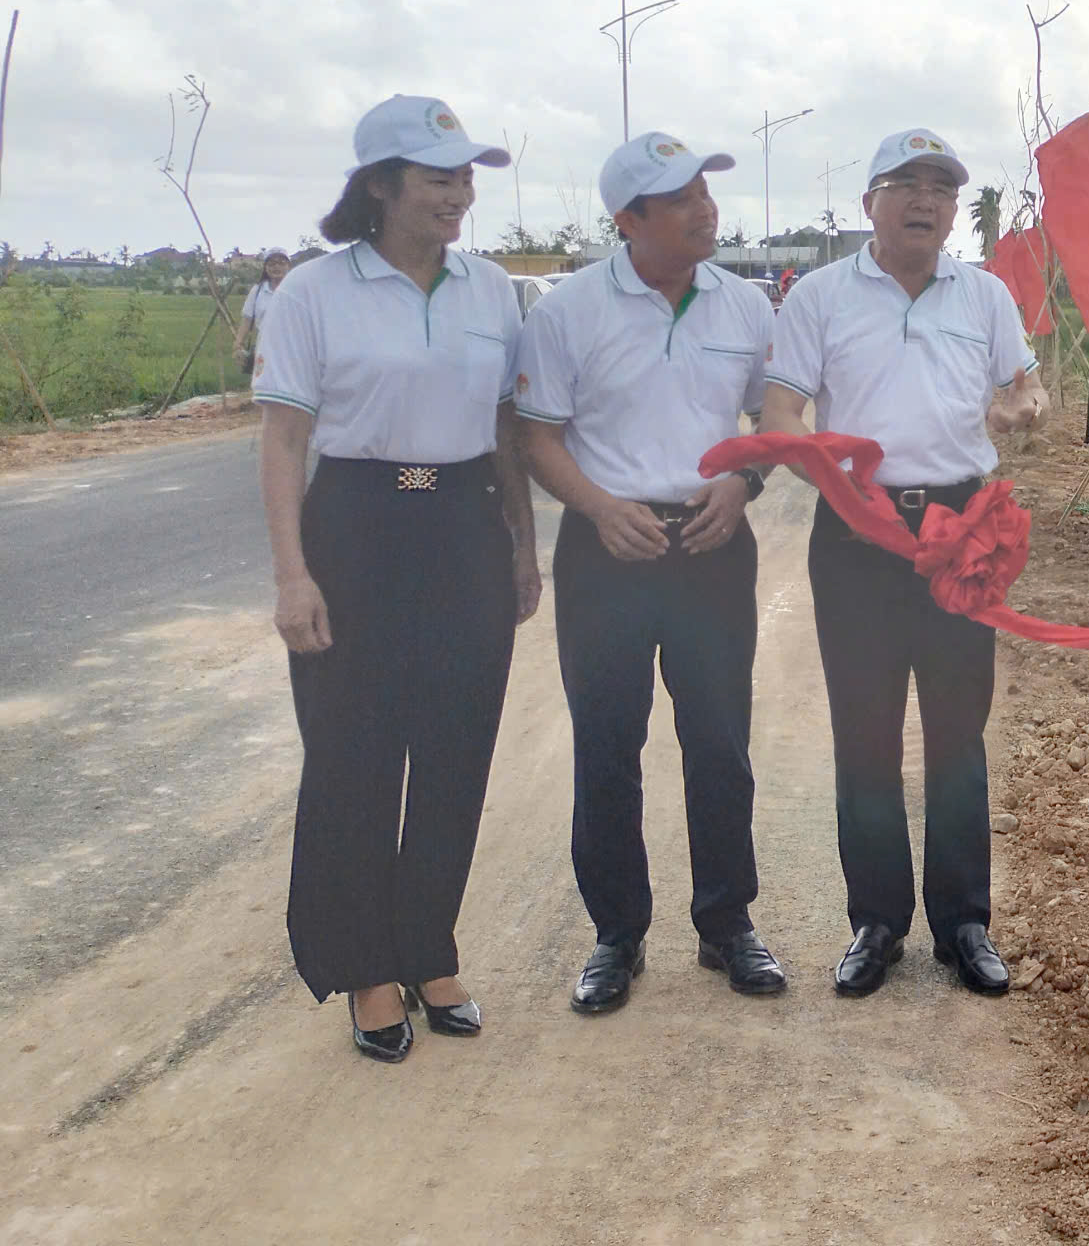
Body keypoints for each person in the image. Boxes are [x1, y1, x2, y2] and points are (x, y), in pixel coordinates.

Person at [251, 95, 541, 1063]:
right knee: (355, 751)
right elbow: (284, 439)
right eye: (437, 178)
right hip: (357, 524)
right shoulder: (315, 292)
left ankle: (428, 949)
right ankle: (366, 966)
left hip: (462, 521)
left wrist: (521, 544)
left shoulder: (491, 290)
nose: (459, 196)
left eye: (466, 179)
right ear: (379, 185)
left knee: (457, 746)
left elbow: (505, 427)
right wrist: (292, 575)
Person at [764, 128, 1047, 1000]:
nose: (927, 201)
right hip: (857, 536)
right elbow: (782, 411)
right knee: (866, 731)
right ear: (870, 204)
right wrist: (829, 475)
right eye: (907, 185)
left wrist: (1024, 406)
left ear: (955, 210)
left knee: (958, 730)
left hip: (961, 531)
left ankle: (964, 923)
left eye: (942, 188)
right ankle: (877, 922)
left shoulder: (985, 294)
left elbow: (1027, 383)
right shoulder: (819, 297)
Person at [515, 131, 784, 1015]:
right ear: (628, 220)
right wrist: (598, 508)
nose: (707, 210)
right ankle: (616, 934)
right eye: (681, 199)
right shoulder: (568, 312)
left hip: (712, 546)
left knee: (719, 743)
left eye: (706, 192)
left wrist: (743, 485)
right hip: (607, 551)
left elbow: (774, 420)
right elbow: (537, 437)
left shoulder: (745, 307)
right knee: (607, 746)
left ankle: (727, 925)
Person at [236, 249, 290, 372]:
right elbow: (247, 319)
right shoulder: (257, 290)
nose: (276, 267)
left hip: (291, 346)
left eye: (281, 263)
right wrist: (238, 343)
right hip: (264, 346)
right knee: (263, 378)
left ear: (288, 266)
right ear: (265, 268)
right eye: (272, 264)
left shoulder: (297, 289)